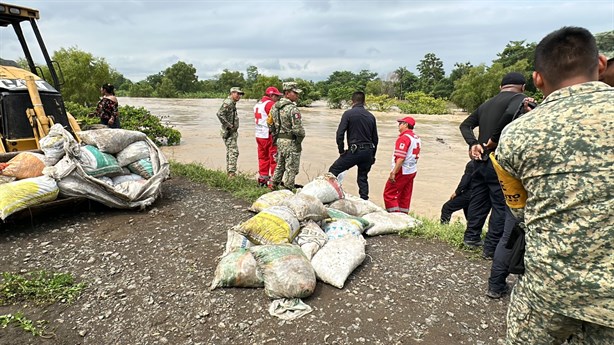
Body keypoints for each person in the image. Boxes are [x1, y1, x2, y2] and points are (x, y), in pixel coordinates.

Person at [495, 26, 613, 343]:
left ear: (538, 79)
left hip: (548, 289)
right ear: (600, 64)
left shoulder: (517, 135)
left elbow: (519, 210)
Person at [459, 72, 526, 259]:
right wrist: (492, 142)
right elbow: (509, 114)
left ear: (500, 87)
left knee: (478, 199)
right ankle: (490, 248)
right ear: (523, 86)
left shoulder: (487, 103)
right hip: (498, 161)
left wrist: (474, 144)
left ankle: (471, 238)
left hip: (479, 161)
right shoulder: (519, 99)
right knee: (500, 205)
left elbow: (465, 125)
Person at [328, 91, 378, 200]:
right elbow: (375, 139)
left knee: (333, 170)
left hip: (355, 151)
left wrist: (341, 150)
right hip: (368, 152)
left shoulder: (348, 114)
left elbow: (340, 133)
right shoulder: (371, 116)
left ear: (352, 101)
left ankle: (331, 195)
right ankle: (364, 200)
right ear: (364, 102)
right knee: (363, 177)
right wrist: (373, 156)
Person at [269, 82, 305, 190]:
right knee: (291, 168)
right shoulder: (292, 109)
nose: (297, 95)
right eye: (295, 93)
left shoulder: (275, 107)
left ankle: (273, 185)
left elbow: (269, 123)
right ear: (287, 93)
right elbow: (297, 129)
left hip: (280, 140)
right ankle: (288, 189)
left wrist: (275, 135)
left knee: (280, 164)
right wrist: (300, 139)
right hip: (291, 141)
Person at [383, 116, 420, 213]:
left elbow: (401, 158)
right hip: (412, 170)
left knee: (389, 194)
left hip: (402, 170)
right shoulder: (416, 137)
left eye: (400, 123)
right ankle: (404, 215)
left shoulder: (404, 138)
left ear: (406, 125)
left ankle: (395, 217)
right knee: (405, 195)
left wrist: (394, 172)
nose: (398, 126)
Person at [254, 86, 283, 187]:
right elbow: (276, 119)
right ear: (271, 95)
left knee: (263, 158)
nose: (277, 99)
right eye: (276, 96)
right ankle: (273, 183)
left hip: (259, 134)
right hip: (268, 135)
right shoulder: (270, 104)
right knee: (274, 159)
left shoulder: (258, 103)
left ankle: (262, 180)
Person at [217, 87, 243, 178]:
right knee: (234, 152)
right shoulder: (228, 102)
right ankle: (231, 174)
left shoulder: (232, 103)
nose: (239, 96)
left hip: (231, 132)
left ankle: (230, 172)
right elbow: (219, 114)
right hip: (228, 132)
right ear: (232, 93)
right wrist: (228, 125)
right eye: (238, 94)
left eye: (240, 94)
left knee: (230, 152)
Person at [440, 160, 473, 224]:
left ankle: (443, 228)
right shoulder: (483, 162)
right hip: (479, 193)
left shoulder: (471, 164)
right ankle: (472, 230)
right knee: (469, 212)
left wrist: (457, 192)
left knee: (447, 207)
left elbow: (465, 181)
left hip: (469, 193)